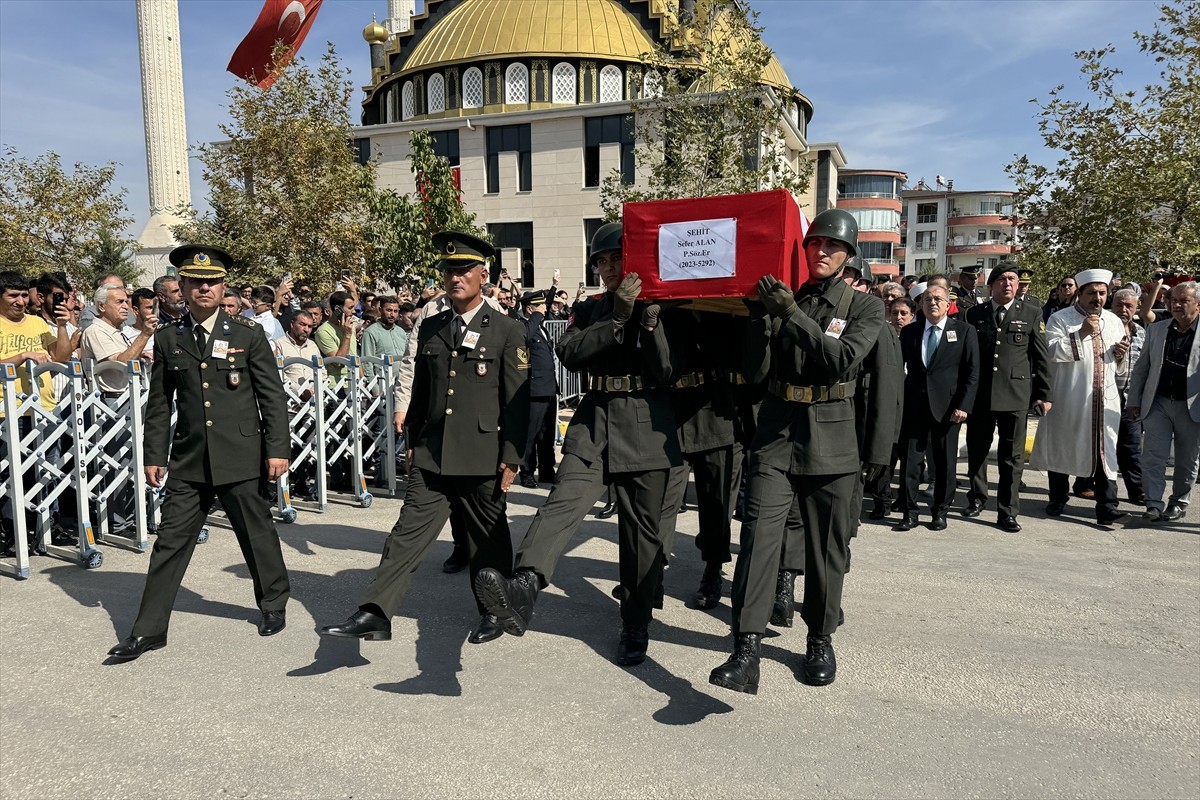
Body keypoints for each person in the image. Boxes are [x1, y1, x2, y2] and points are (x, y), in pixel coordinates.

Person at [474, 221, 681, 667]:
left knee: (641, 535)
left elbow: (666, 371)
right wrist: (618, 316)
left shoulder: (663, 305)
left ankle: (636, 622)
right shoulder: (590, 309)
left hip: (647, 421)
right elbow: (570, 351)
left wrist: (648, 321)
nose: (608, 269)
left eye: (615, 259)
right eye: (601, 262)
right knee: (561, 503)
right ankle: (523, 586)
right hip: (596, 419)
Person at [320, 231, 529, 645]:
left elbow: (517, 401)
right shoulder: (431, 325)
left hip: (482, 453)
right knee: (406, 534)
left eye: (464, 270)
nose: (455, 278)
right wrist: (413, 439)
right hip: (433, 453)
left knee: (487, 536)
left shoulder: (506, 329)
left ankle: (494, 610)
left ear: (482, 275)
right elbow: (424, 390)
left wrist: (512, 455)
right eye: (449, 271)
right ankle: (376, 611)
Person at [709, 208, 884, 693]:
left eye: (832, 245)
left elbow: (842, 359)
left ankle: (820, 639)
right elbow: (758, 372)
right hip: (778, 434)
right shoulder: (787, 298)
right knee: (758, 543)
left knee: (826, 549)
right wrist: (758, 321)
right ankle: (745, 650)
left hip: (831, 439)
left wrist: (790, 314)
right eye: (814, 244)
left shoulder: (864, 308)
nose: (821, 251)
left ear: (849, 254)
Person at [106, 245, 292, 661]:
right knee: (170, 542)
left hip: (242, 454)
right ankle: (148, 630)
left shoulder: (247, 334)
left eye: (211, 281)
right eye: (194, 281)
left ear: (223, 286)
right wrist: (154, 455)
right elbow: (159, 404)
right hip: (189, 459)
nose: (203, 287)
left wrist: (277, 449)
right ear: (182, 288)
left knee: (256, 533)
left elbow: (272, 397)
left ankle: (273, 603)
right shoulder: (170, 338)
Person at [1030, 269, 1130, 525]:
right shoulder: (1061, 319)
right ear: (1080, 293)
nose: (1098, 298)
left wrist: (1120, 355)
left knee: (1105, 451)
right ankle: (1057, 498)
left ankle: (1107, 506)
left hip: (1104, 400)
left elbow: (1120, 365)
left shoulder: (1114, 320)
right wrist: (1081, 333)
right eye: (1092, 293)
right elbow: (1050, 352)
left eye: (1102, 293)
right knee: (1063, 446)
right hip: (1069, 397)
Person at [963, 264, 1052, 533]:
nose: (1008, 284)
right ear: (991, 285)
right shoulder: (973, 314)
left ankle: (1008, 511)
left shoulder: (1032, 313)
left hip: (1015, 395)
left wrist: (1044, 394)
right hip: (981, 396)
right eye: (1002, 279)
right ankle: (977, 498)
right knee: (977, 450)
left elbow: (1040, 357)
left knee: (1011, 458)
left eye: (1012, 279)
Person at [895, 283, 980, 531]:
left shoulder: (964, 331)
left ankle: (940, 512)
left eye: (938, 299)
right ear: (920, 305)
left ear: (947, 304)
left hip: (948, 408)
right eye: (927, 299)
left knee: (944, 465)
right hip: (914, 407)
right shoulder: (911, 332)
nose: (933, 303)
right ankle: (909, 513)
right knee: (910, 463)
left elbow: (972, 372)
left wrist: (964, 405)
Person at [0, 270, 74, 553]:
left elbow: (62, 357)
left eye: (22, 295)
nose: (19, 301)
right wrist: (21, 357)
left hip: (44, 408)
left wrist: (62, 326)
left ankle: (48, 525)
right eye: (12, 296)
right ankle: (13, 532)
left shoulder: (36, 323)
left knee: (48, 470)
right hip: (9, 410)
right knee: (12, 474)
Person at [1127, 281, 1199, 522]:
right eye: (1173, 300)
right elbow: (1141, 368)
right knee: (1153, 456)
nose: (1176, 305)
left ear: (1197, 305)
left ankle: (1178, 502)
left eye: (1183, 301)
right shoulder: (1158, 330)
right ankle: (1153, 504)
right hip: (1157, 402)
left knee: (1187, 459)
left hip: (1192, 406)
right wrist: (1134, 400)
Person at [518, 290, 559, 489]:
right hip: (534, 389)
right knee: (530, 435)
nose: (544, 309)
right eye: (540, 306)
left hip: (548, 388)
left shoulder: (541, 328)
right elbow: (524, 336)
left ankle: (546, 470)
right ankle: (527, 472)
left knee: (547, 435)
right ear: (529, 309)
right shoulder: (524, 325)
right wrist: (536, 316)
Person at [1110, 288, 1147, 504]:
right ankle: (1089, 486)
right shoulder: (1102, 329)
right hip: (1104, 399)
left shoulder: (1141, 332)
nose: (1123, 310)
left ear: (1136, 308)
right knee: (1103, 448)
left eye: (1129, 306)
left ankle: (1137, 492)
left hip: (1131, 402)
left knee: (1132, 448)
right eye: (1119, 305)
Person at [359, 296, 408, 384]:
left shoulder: (401, 332)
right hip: (382, 384)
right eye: (389, 310)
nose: (392, 314)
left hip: (403, 383)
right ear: (380, 310)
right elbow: (367, 362)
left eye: (395, 311)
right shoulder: (371, 332)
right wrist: (374, 388)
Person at [124, 288, 159, 362]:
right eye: (150, 308)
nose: (155, 312)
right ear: (136, 310)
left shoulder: (165, 330)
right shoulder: (125, 334)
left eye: (156, 307)